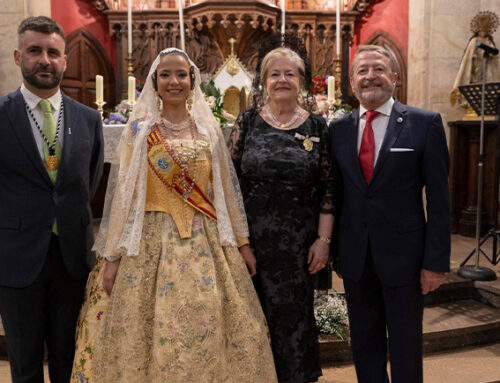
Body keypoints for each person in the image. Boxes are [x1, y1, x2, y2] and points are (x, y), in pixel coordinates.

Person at [70, 48, 277, 383]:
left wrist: (242, 243)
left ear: (192, 81)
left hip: (206, 243)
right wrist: (112, 255)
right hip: (148, 243)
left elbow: (224, 191)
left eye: (181, 74)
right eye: (165, 74)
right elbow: (125, 195)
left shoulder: (208, 132)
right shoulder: (139, 131)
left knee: (206, 323)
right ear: (154, 82)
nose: (174, 81)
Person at [329, 44, 450, 383]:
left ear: (394, 78)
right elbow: (336, 195)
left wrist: (436, 262)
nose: (371, 76)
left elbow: (440, 200)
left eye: (378, 69)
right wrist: (336, 250)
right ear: (352, 82)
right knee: (364, 344)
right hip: (355, 256)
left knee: (406, 344)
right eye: (362, 71)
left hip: (406, 258)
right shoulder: (337, 131)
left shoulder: (425, 124)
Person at [0, 16, 104, 383]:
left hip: (72, 259)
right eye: (34, 51)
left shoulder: (89, 120)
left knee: (70, 360)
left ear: (65, 61)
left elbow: (87, 184)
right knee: (25, 365)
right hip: (16, 256)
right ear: (18, 56)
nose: (44, 60)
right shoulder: (1, 116)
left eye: (53, 52)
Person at [230, 46, 334, 383]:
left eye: (290, 73)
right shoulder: (246, 122)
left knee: (293, 320)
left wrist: (323, 239)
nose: (282, 80)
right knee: (252, 317)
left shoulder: (318, 125)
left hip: (298, 245)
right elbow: (229, 186)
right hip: (254, 242)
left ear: (301, 80)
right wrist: (240, 243)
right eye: (275, 74)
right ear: (263, 81)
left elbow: (329, 189)